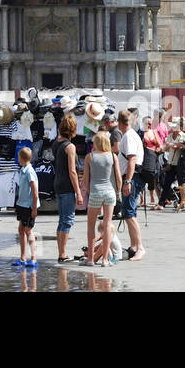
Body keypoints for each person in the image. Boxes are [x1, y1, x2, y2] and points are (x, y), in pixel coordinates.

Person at [82, 130, 121, 265]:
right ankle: (105, 259)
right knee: (107, 224)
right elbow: (118, 178)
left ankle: (91, 259)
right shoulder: (113, 156)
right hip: (110, 192)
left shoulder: (90, 157)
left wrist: (89, 190)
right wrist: (118, 192)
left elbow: (86, 179)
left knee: (91, 226)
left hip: (96, 191)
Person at [52, 114, 83, 264]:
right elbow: (72, 171)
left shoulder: (55, 143)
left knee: (62, 220)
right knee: (67, 220)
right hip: (67, 185)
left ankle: (61, 253)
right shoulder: (70, 147)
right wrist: (78, 191)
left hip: (57, 182)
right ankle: (62, 254)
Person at [116, 110, 146, 261]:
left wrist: (127, 181)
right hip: (133, 177)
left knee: (129, 212)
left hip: (132, 178)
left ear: (119, 122)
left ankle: (140, 247)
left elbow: (132, 159)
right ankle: (134, 245)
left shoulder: (128, 136)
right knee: (129, 213)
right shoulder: (131, 135)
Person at [13, 147, 39, 268]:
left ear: (22, 158)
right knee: (21, 229)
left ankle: (33, 257)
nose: (18, 159)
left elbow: (34, 191)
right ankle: (23, 257)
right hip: (21, 204)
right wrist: (17, 204)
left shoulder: (29, 171)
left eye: (18, 157)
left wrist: (34, 208)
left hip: (28, 205)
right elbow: (21, 189)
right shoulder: (22, 170)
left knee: (28, 230)